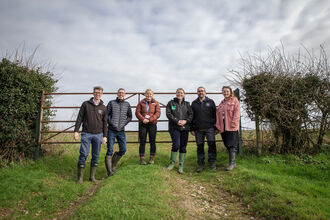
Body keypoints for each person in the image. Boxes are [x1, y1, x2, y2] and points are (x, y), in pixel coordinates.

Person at [74, 86, 108, 184]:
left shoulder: (103, 108)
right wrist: (76, 131)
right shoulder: (85, 104)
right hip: (86, 133)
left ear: (102, 94)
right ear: (93, 93)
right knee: (83, 154)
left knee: (96, 155)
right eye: (96, 92)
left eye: (99, 93)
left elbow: (105, 123)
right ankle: (80, 178)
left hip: (98, 135)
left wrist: (105, 136)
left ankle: (92, 177)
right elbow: (79, 118)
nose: (97, 94)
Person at [105, 88, 132, 177]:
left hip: (121, 130)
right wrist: (112, 123)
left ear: (125, 94)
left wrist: (123, 123)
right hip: (111, 130)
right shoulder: (111, 103)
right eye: (119, 93)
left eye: (122, 93)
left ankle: (112, 165)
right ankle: (109, 172)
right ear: (117, 94)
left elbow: (129, 116)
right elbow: (106, 115)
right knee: (110, 150)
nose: (121, 94)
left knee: (123, 149)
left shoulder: (127, 104)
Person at [166, 88, 193, 174]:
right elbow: (168, 114)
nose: (179, 94)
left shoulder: (187, 104)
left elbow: (191, 115)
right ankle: (172, 163)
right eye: (178, 93)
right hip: (174, 127)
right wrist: (177, 121)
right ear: (176, 93)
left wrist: (185, 121)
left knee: (183, 146)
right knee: (176, 144)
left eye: (181, 93)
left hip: (185, 128)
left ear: (184, 94)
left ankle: (181, 165)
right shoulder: (171, 103)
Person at [191, 86, 217, 172]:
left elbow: (215, 115)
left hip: (210, 128)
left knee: (212, 145)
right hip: (198, 129)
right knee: (200, 146)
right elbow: (191, 116)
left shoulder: (211, 102)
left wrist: (215, 127)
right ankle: (201, 164)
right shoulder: (194, 103)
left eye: (202, 91)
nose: (200, 92)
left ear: (205, 92)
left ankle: (212, 163)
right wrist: (191, 128)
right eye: (199, 91)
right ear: (197, 93)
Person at [216, 86, 240, 171]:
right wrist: (218, 126)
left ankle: (232, 163)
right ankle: (231, 162)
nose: (225, 93)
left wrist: (234, 123)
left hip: (231, 126)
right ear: (222, 92)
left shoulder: (235, 100)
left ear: (230, 92)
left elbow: (237, 113)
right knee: (227, 144)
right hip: (223, 127)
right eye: (224, 91)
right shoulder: (222, 103)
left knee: (232, 145)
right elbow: (218, 115)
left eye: (227, 91)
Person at [135, 89, 161, 165]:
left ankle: (151, 158)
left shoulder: (156, 103)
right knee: (142, 141)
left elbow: (158, 113)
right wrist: (143, 119)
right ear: (145, 95)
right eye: (147, 94)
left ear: (152, 95)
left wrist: (149, 119)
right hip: (143, 124)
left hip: (152, 124)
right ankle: (142, 159)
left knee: (152, 141)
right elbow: (137, 112)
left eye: (150, 94)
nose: (149, 95)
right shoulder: (141, 103)